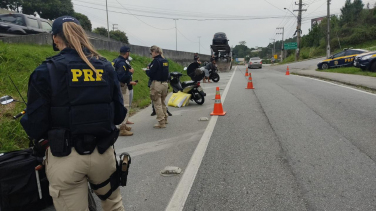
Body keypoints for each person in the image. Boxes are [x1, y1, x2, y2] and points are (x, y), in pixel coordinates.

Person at [20, 16, 126, 211]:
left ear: (55, 38)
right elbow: (119, 115)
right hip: (102, 154)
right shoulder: (105, 67)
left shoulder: (46, 70)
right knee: (114, 205)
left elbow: (35, 126)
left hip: (65, 158)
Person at [144, 45, 169, 128]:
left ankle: (161, 122)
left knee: (157, 103)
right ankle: (165, 118)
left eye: (152, 52)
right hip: (165, 84)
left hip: (157, 84)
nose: (151, 54)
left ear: (155, 52)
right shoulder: (165, 60)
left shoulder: (156, 61)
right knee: (162, 102)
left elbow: (151, 73)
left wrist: (147, 70)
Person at [113, 46, 134, 136]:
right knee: (125, 106)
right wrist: (130, 72)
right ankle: (122, 128)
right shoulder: (122, 63)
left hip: (117, 86)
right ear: (127, 53)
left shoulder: (115, 60)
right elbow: (121, 77)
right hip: (122, 86)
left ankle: (123, 126)